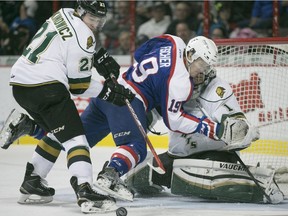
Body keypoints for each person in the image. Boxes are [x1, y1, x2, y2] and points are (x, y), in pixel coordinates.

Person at [1, 35, 244, 202]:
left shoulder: (173, 42)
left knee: (76, 139)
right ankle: (109, 177)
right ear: (190, 54)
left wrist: (154, 81)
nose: (203, 70)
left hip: (112, 88)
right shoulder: (180, 83)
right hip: (128, 100)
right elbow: (175, 121)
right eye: (201, 63)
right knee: (136, 147)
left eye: (207, 65)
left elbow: (141, 52)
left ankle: (30, 127)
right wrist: (209, 127)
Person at [2, 0, 135, 213]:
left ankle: (33, 181)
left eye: (100, 19)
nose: (96, 23)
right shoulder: (86, 38)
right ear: (81, 12)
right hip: (46, 87)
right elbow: (78, 86)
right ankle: (84, 189)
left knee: (57, 134)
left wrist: (94, 56)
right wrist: (108, 92)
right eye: (92, 18)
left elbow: (66, 45)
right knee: (76, 139)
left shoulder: (64, 13)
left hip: (21, 84)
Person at [125, 67, 284, 204]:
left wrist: (240, 131)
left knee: (186, 175)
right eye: (193, 71)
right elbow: (149, 116)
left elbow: (234, 119)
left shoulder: (217, 88)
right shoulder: (173, 86)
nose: (195, 77)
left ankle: (257, 182)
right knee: (135, 177)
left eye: (201, 71)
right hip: (179, 156)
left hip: (215, 156)